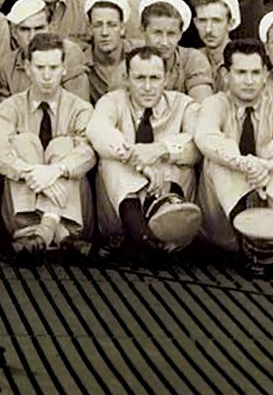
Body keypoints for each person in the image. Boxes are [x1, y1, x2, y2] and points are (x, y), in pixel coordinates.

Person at [194, 39, 273, 271]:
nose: (249, 81)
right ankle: (250, 244)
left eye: (255, 73)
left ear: (264, 75)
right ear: (226, 75)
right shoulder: (215, 104)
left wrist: (269, 165)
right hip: (221, 225)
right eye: (241, 72)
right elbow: (205, 136)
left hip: (266, 209)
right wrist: (244, 163)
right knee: (221, 154)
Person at [86, 45, 202, 256]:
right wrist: (139, 162)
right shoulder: (112, 101)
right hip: (119, 218)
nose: (147, 87)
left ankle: (160, 231)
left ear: (166, 79)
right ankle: (141, 235)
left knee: (178, 156)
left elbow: (198, 144)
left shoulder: (185, 105)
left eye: (155, 78)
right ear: (127, 78)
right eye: (139, 78)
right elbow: (98, 130)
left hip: (173, 211)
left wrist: (160, 150)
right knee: (112, 160)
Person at [0, 33, 96, 256]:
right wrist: (33, 173)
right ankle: (57, 235)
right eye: (40, 67)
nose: (47, 76)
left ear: (64, 68)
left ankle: (43, 234)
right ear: (27, 67)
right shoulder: (9, 108)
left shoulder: (81, 108)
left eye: (54, 68)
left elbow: (89, 152)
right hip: (21, 214)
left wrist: (56, 170)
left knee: (63, 146)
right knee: (24, 142)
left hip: (75, 215)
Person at [0, 0, 89, 100]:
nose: (32, 36)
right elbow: (6, 110)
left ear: (50, 27)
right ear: (14, 33)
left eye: (39, 28)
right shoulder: (7, 65)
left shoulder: (69, 54)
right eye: (25, 29)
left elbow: (79, 107)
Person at [137, 0, 214, 101]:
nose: (164, 42)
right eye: (157, 33)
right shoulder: (129, 62)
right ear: (143, 30)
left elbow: (203, 107)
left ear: (180, 34)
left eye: (171, 34)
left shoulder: (193, 59)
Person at [76, 0, 132, 103]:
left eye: (112, 25)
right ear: (90, 29)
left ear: (122, 28)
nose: (104, 32)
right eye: (98, 25)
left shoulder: (137, 56)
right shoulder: (80, 61)